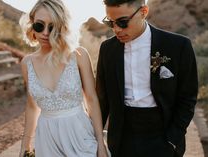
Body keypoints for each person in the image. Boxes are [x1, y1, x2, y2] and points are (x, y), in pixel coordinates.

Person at [96, 0, 198, 157]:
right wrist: (94, 140)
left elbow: (187, 97)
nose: (116, 29)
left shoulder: (178, 46)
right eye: (111, 23)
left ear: (143, 11)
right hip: (121, 139)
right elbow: (102, 101)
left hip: (162, 137)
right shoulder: (107, 49)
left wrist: (172, 139)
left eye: (123, 22)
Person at [19, 0, 108, 156]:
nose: (45, 33)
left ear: (62, 27)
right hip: (47, 139)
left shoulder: (78, 55)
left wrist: (101, 143)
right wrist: (25, 146)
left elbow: (92, 100)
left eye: (52, 27)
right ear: (32, 25)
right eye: (40, 25)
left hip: (79, 135)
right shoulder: (27, 63)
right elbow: (32, 107)